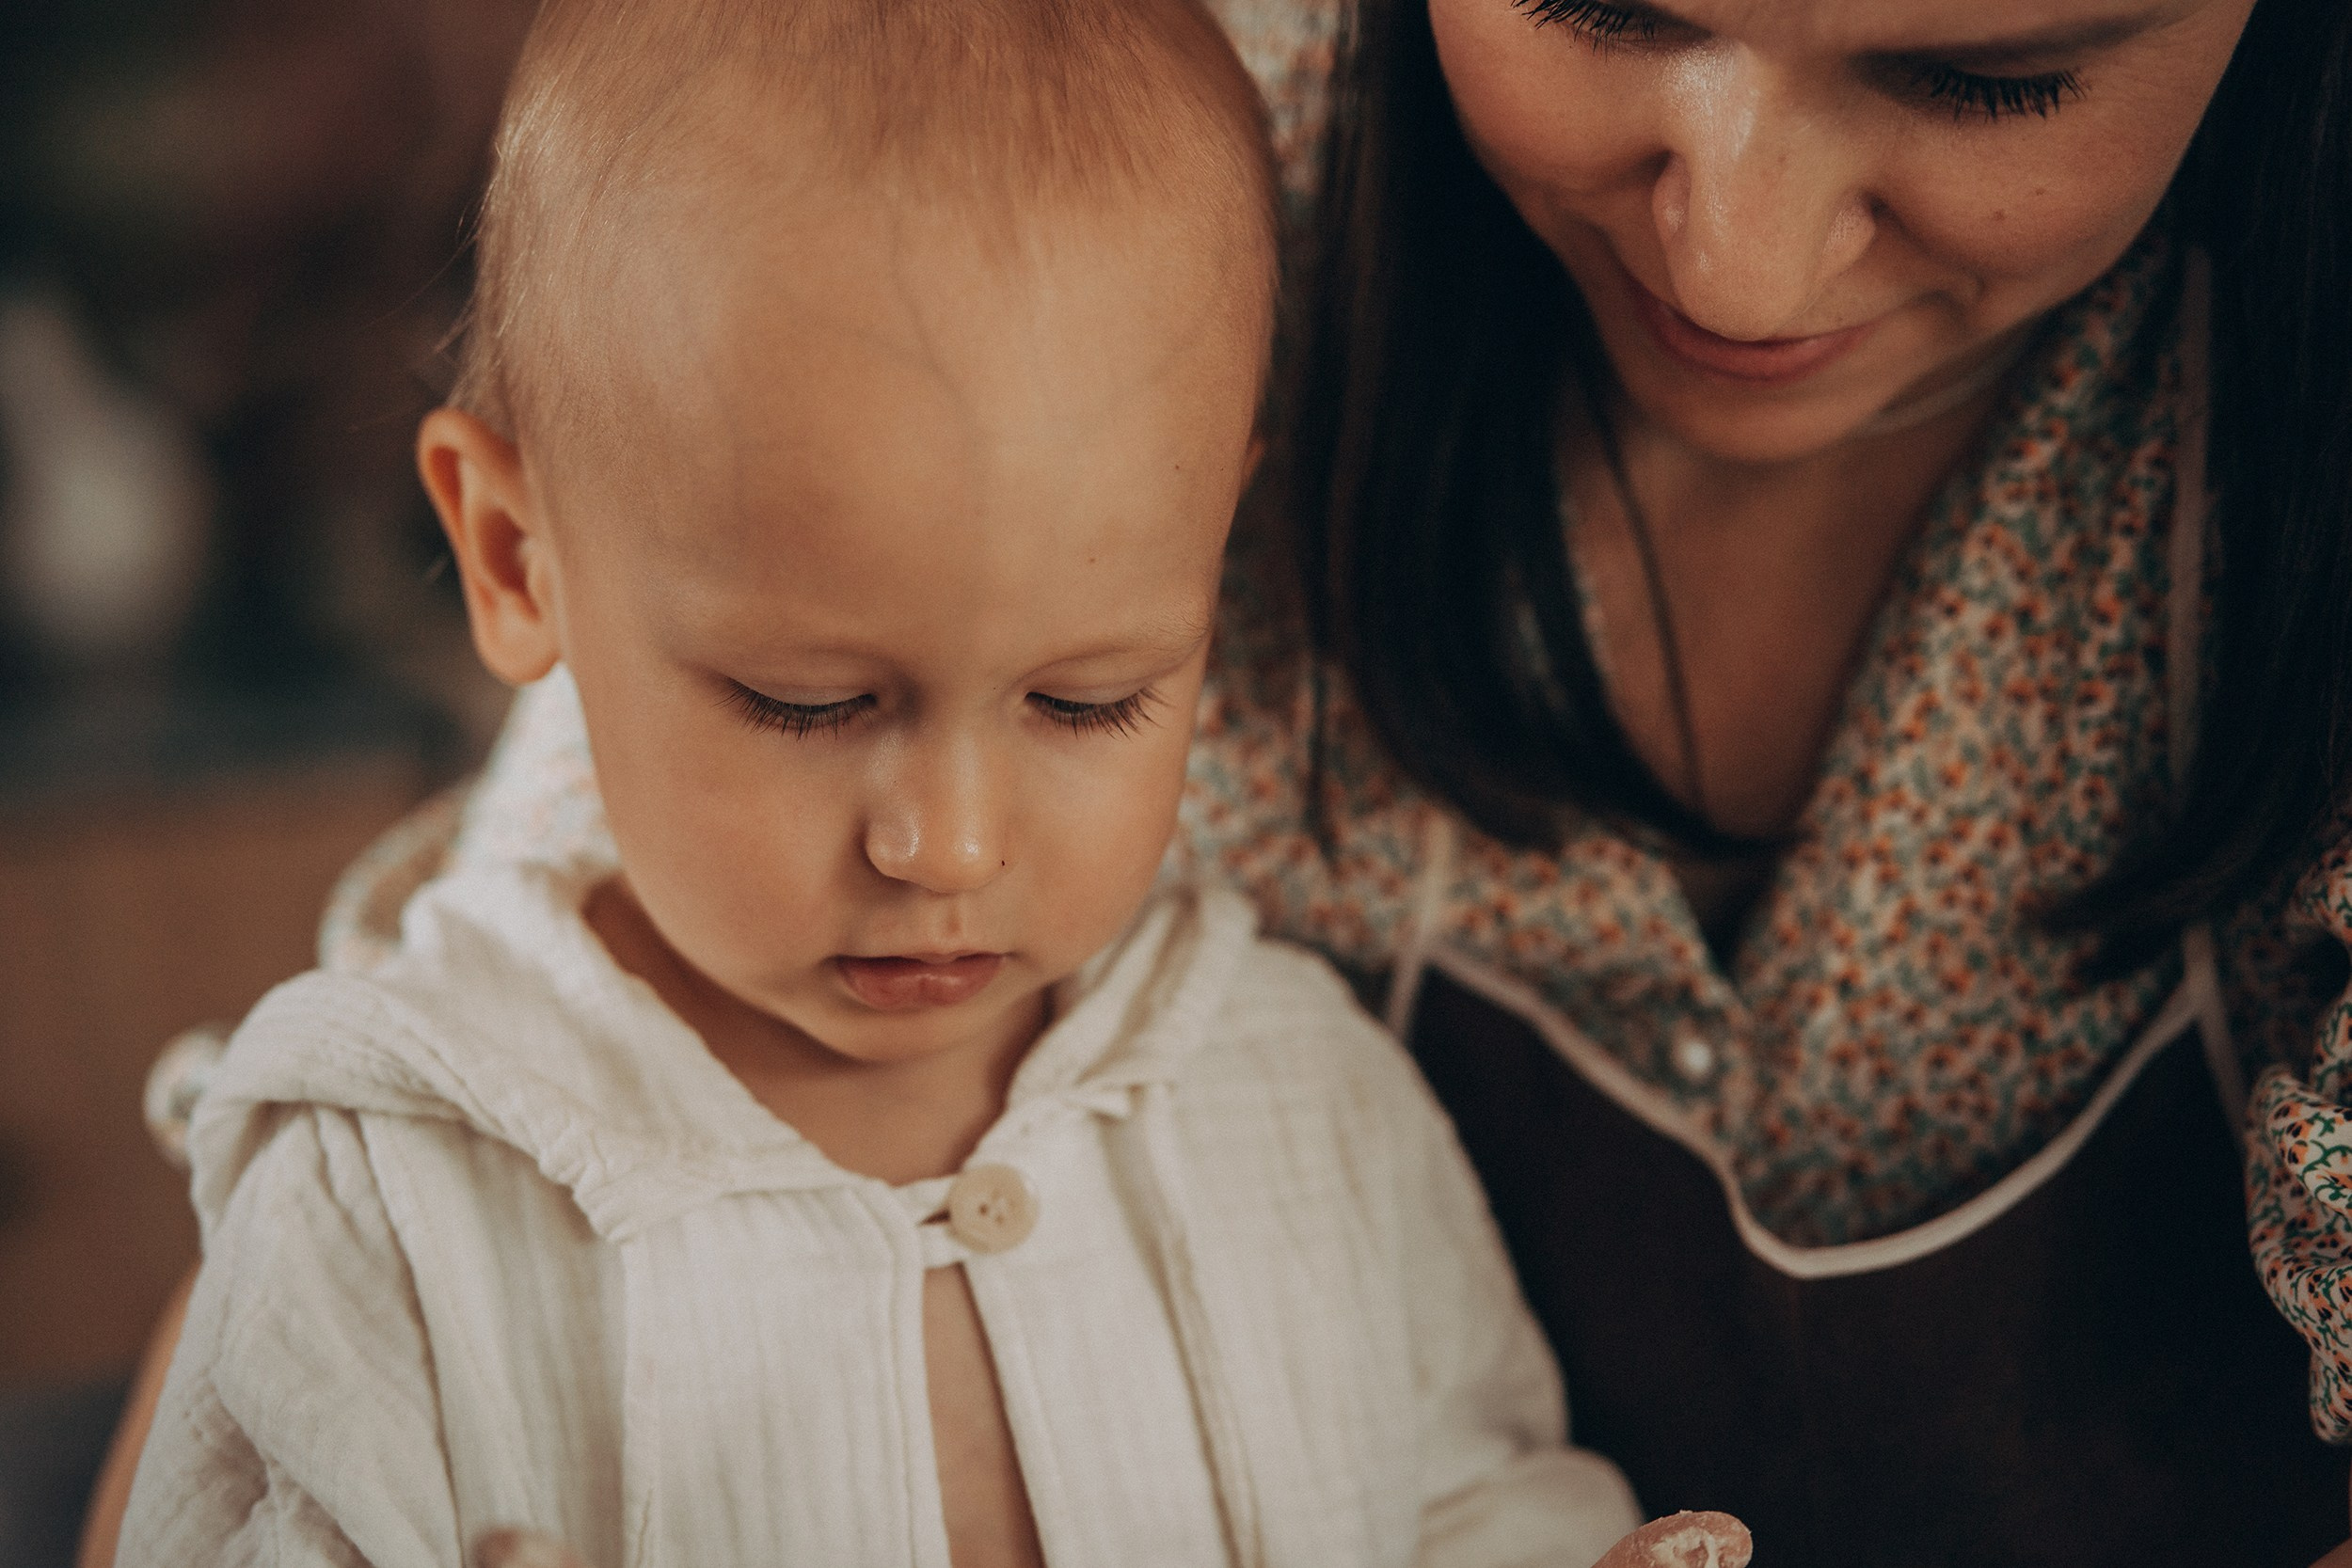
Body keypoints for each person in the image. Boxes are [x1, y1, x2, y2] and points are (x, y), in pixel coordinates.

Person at [87, 0, 2352, 1564]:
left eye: (1985, 75)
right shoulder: (1122, 131)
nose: (1734, 256)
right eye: (1599, 6)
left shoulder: (1285, 1104)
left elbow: (1479, 1492)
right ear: (505, 553)